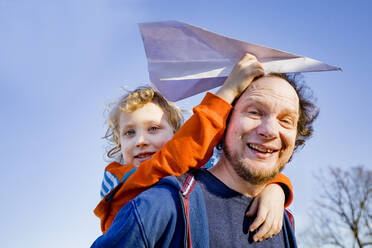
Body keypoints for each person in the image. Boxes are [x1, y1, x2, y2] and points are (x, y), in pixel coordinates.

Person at [91, 54, 319, 247]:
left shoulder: (283, 222)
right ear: (224, 124)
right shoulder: (145, 195)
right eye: (254, 112)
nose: (141, 141)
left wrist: (277, 187)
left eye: (153, 128)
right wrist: (227, 91)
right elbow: (181, 154)